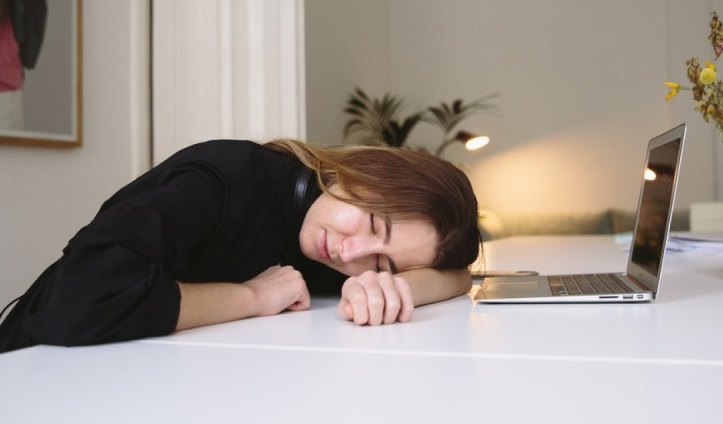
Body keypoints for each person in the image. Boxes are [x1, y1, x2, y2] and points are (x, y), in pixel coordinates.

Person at [0, 138, 481, 353]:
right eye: (373, 223)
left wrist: (394, 287)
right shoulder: (226, 178)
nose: (350, 255)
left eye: (379, 261)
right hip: (36, 365)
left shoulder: (330, 241)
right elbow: (86, 296)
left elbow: (459, 275)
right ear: (367, 172)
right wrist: (251, 297)